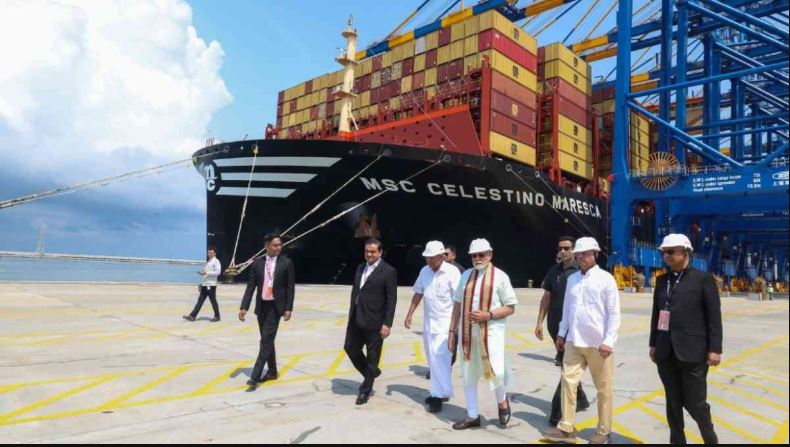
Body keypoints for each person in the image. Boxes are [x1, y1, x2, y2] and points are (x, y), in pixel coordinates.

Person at [542, 237, 621, 445]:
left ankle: (603, 431)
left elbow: (614, 314)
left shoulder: (606, 279)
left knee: (603, 389)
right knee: (568, 382)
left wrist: (609, 341)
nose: (582, 257)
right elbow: (567, 310)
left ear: (595, 254)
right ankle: (567, 427)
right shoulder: (572, 280)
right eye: (579, 254)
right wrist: (561, 334)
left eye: (586, 254)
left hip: (598, 344)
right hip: (574, 341)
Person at [650, 233, 722, 444]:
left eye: (671, 252)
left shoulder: (704, 280)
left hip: (694, 352)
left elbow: (714, 317)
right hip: (665, 351)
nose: (666, 256)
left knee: (696, 403)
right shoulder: (662, 281)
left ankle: (710, 438)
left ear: (686, 252)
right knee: (672, 402)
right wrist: (653, 344)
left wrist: (715, 348)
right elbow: (657, 314)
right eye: (664, 252)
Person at [449, 238, 518, 429]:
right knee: (468, 374)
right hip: (467, 336)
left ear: (490, 255)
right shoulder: (465, 276)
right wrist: (451, 331)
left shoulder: (500, 276)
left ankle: (502, 402)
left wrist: (488, 315)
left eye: (481, 255)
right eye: (474, 255)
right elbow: (457, 304)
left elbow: (511, 307)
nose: (477, 258)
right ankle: (472, 415)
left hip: (491, 334)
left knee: (495, 371)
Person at [535, 236, 589, 426]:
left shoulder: (580, 272)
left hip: (572, 330)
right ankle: (580, 400)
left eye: (567, 248)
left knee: (567, 369)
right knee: (568, 366)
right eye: (560, 248)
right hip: (555, 328)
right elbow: (546, 297)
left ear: (574, 250)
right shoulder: (553, 271)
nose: (563, 251)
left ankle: (557, 412)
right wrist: (539, 322)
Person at [405, 241, 461, 413]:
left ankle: (437, 396)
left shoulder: (453, 272)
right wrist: (410, 313)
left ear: (441, 256)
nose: (428, 260)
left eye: (431, 257)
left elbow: (459, 300)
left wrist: (455, 327)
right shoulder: (424, 271)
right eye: (426, 258)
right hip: (429, 324)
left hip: (446, 325)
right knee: (432, 359)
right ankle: (443, 391)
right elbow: (419, 292)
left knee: (440, 359)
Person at [344, 238, 397, 405]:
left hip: (376, 321)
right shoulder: (361, 268)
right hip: (357, 317)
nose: (369, 254)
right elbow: (356, 291)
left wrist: (387, 323)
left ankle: (365, 390)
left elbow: (391, 299)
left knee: (373, 357)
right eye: (367, 251)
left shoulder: (388, 271)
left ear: (380, 252)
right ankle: (372, 372)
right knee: (350, 348)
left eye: (373, 252)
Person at [239, 234, 296, 392]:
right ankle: (272, 372)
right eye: (275, 245)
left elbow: (290, 287)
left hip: (275, 307)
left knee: (265, 340)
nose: (279, 248)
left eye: (280, 245)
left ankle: (255, 376)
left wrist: (288, 308)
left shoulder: (287, 263)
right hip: (261, 306)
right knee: (267, 340)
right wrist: (244, 307)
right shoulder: (257, 264)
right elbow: (251, 286)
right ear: (267, 246)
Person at [183, 247, 222, 322]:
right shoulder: (209, 262)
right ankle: (192, 316)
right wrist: (202, 278)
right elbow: (206, 273)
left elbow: (218, 272)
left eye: (211, 253)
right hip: (205, 284)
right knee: (200, 300)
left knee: (213, 300)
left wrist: (207, 273)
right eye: (208, 253)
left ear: (215, 253)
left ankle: (217, 316)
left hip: (211, 285)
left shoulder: (216, 261)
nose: (209, 254)